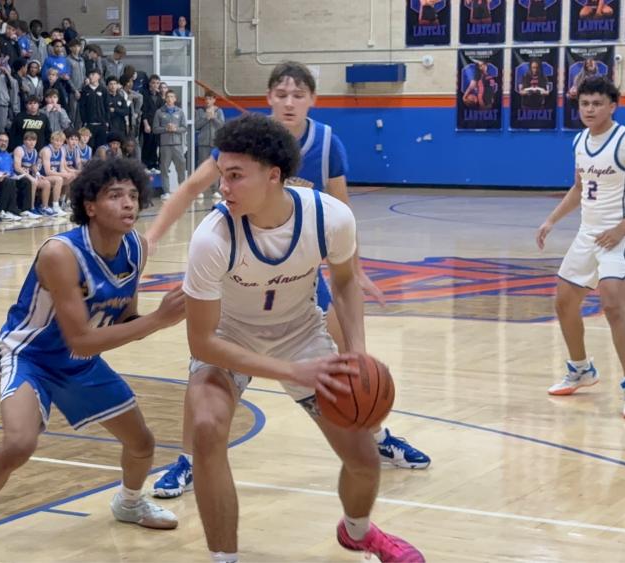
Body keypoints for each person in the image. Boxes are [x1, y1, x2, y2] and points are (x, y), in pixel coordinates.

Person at [150, 62, 429, 500]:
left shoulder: (326, 146)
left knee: (351, 366)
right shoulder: (239, 150)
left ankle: (370, 432)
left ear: (312, 100)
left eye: (297, 94)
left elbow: (342, 209)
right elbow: (189, 189)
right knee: (204, 391)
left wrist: (354, 269)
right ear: (268, 98)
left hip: (300, 270)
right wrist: (151, 237)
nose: (288, 101)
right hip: (243, 281)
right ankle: (188, 460)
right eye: (280, 94)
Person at [179, 113, 423, 563]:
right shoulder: (211, 239)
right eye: (222, 175)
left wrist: (356, 354)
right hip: (230, 338)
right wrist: (292, 372)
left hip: (302, 334)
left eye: (235, 176)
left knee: (365, 461)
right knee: (206, 427)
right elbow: (202, 343)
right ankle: (224, 558)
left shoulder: (330, 218)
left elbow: (347, 283)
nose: (223, 188)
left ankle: (357, 532)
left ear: (274, 176)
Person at [0, 158, 185, 563]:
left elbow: (125, 316)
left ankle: (129, 503)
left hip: (78, 358)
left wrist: (176, 313)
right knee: (19, 444)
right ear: (90, 206)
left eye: (133, 195)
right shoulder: (60, 254)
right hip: (32, 355)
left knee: (142, 443)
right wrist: (160, 320)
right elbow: (85, 337)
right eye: (115, 195)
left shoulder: (136, 249)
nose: (129, 204)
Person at [536, 77, 625, 419]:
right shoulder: (580, 140)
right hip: (588, 233)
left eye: (596, 103)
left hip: (623, 235)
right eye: (584, 104)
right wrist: (551, 220)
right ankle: (581, 369)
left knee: (611, 303)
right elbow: (579, 187)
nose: (589, 110)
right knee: (564, 303)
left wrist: (622, 228)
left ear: (612, 105)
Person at [152, 89, 187, 200]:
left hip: (177, 145)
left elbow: (184, 128)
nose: (170, 99)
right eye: (168, 97)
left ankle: (182, 191)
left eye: (172, 97)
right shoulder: (159, 112)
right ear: (165, 98)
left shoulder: (180, 112)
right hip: (165, 145)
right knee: (164, 169)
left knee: (181, 168)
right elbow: (155, 129)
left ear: (175, 99)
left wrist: (176, 129)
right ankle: (166, 191)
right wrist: (165, 129)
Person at [39, 130, 77, 215]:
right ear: (51, 140)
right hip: (41, 176)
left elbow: (62, 168)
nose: (58, 143)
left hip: (53, 176)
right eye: (56, 140)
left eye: (61, 141)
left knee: (72, 176)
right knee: (59, 179)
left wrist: (67, 174)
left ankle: (62, 201)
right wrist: (63, 174)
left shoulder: (62, 150)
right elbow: (47, 171)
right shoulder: (47, 151)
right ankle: (55, 206)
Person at [12, 131, 48, 218]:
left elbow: (33, 166)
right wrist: (30, 177)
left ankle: (44, 207)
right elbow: (17, 167)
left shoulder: (35, 151)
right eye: (29, 140)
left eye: (34, 140)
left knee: (46, 183)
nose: (32, 142)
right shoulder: (19, 150)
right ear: (24, 141)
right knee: (33, 182)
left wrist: (38, 174)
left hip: (27, 176)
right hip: (16, 176)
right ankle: (31, 207)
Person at [195, 91, 224, 197]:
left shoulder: (219, 111)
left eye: (210, 99)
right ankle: (200, 190)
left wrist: (214, 118)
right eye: (206, 99)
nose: (208, 101)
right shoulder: (200, 111)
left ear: (214, 100)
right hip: (203, 143)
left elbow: (222, 125)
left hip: (215, 143)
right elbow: (196, 125)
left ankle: (215, 190)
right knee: (202, 166)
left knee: (216, 167)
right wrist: (206, 118)